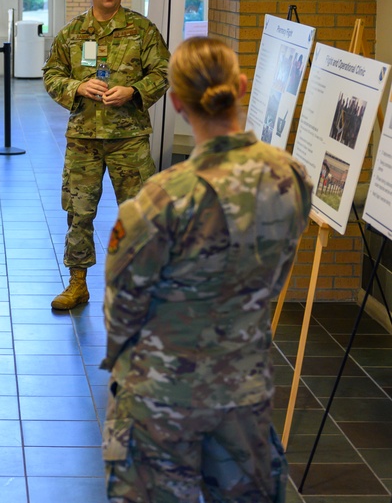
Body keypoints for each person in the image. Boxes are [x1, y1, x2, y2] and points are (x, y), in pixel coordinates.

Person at [101, 36, 311, 501]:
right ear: (240, 86)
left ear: (176, 103)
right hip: (244, 390)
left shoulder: (161, 199)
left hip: (161, 402)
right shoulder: (291, 176)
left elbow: (122, 315)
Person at [43, 0, 169, 311]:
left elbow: (163, 73)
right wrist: (77, 88)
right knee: (78, 213)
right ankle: (77, 284)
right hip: (84, 140)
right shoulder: (71, 33)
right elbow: (52, 74)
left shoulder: (142, 30)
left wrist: (134, 92)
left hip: (128, 139)